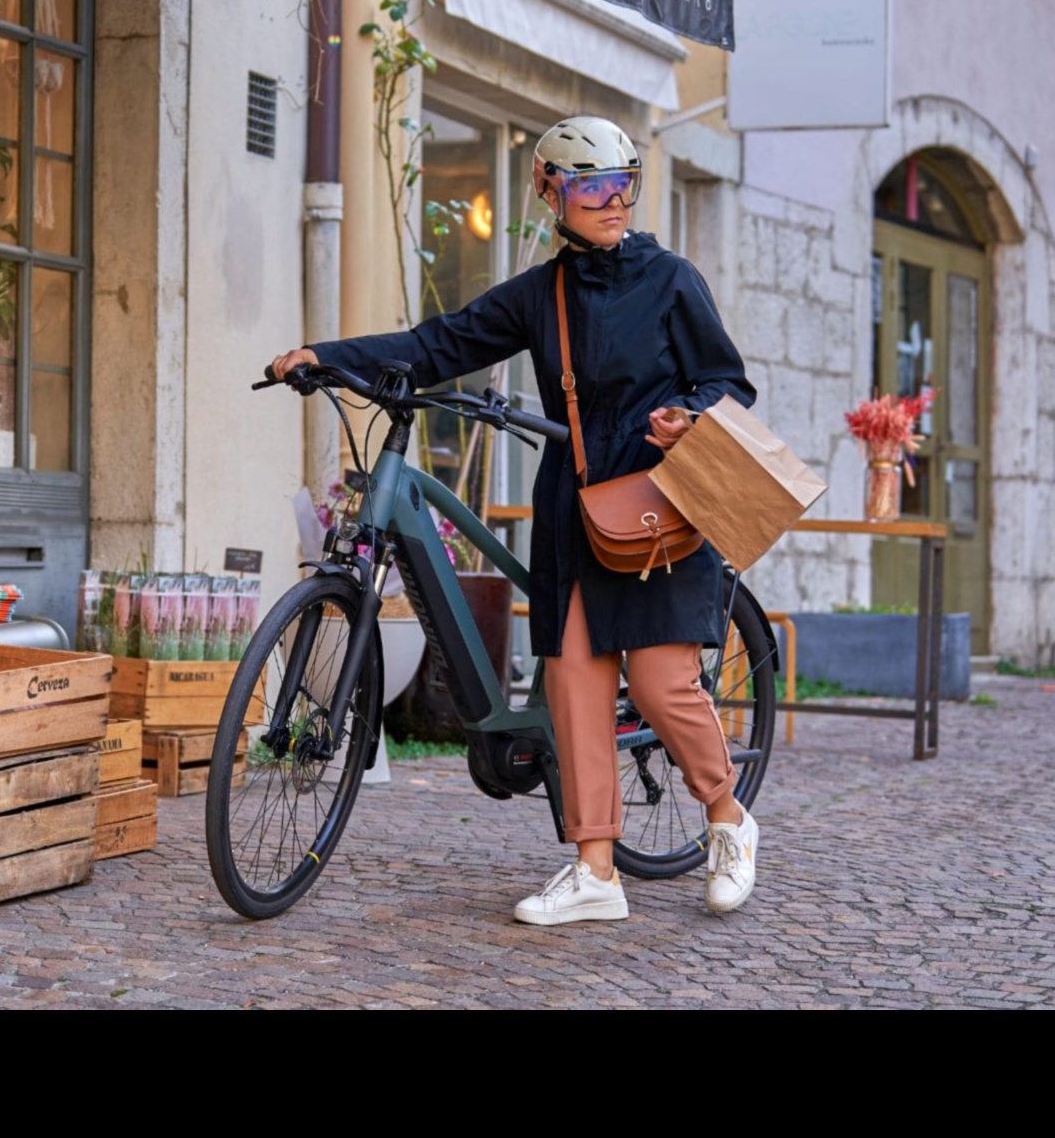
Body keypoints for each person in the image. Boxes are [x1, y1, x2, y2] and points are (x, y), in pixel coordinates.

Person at [267, 116, 759, 924]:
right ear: (552, 193)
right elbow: (436, 345)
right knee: (573, 684)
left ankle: (728, 818)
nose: (614, 201)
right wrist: (329, 356)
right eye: (594, 186)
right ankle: (596, 870)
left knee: (661, 684)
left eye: (624, 183)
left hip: (658, 505)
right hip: (574, 510)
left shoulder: (672, 279)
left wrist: (689, 415)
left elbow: (728, 382)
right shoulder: (541, 294)